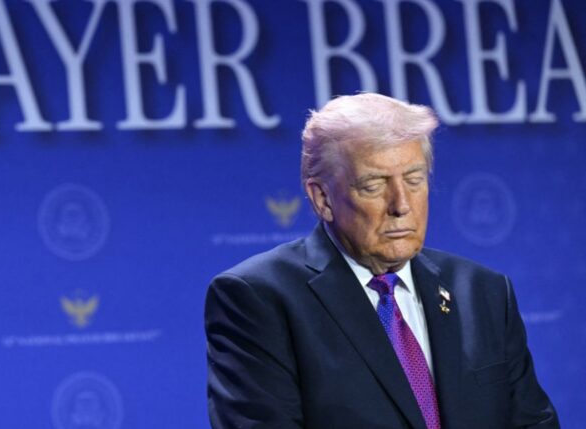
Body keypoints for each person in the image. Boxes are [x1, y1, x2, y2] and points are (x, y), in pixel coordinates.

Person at [204, 93, 559, 429]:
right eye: (374, 185)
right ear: (322, 198)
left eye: (414, 180)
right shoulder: (259, 299)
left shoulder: (483, 292)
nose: (401, 205)